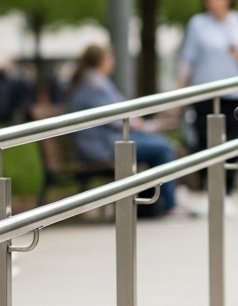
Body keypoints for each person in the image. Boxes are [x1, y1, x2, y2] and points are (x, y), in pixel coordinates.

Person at [67, 43, 180, 216]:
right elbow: (117, 115)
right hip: (102, 147)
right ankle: (169, 205)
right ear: (102, 61)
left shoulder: (90, 81)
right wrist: (146, 125)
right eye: (110, 57)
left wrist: (144, 125)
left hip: (106, 141)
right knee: (162, 148)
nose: (113, 61)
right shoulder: (94, 84)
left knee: (161, 144)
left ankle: (156, 204)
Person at [175, 0, 238, 193]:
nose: (209, 2)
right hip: (205, 93)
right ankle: (207, 188)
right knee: (204, 141)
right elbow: (187, 58)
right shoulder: (198, 24)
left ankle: (226, 190)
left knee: (233, 142)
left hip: (234, 95)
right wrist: (178, 90)